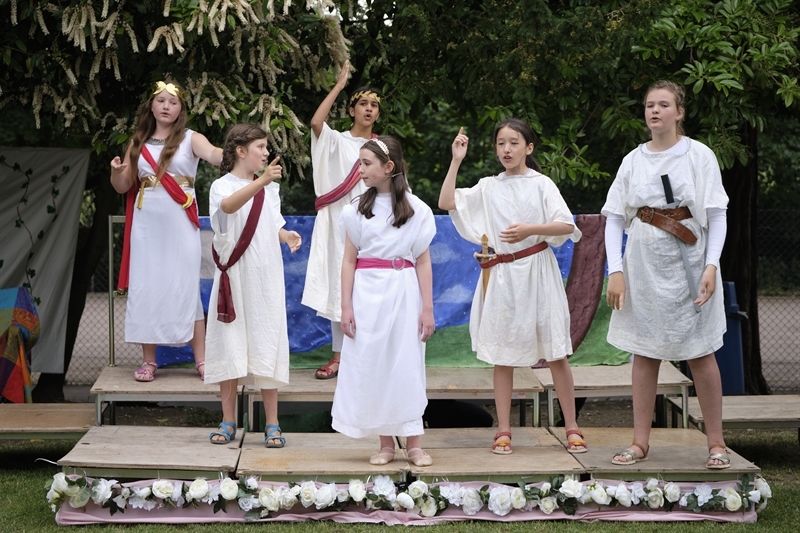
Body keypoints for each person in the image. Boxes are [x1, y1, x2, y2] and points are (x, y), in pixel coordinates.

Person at [439, 120, 588, 455]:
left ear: (528, 148)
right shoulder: (489, 186)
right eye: (501, 143)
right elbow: (447, 201)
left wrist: (529, 229)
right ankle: (504, 430)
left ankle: (572, 427)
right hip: (503, 277)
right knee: (503, 357)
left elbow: (566, 225)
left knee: (556, 352)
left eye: (514, 142)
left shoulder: (542, 184)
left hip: (537, 271)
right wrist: (456, 159)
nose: (506, 149)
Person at [602, 80, 730, 469]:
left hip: (691, 262)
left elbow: (716, 215)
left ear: (679, 112)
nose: (654, 111)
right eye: (648, 106)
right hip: (643, 262)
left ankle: (717, 443)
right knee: (644, 352)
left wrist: (711, 264)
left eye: (663, 105)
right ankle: (640, 443)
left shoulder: (699, 155)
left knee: (701, 352)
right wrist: (616, 270)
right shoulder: (633, 160)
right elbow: (612, 219)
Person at [331, 136, 436, 466]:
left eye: (366, 163)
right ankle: (386, 443)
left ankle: (414, 442)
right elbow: (349, 259)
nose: (359, 169)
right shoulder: (356, 210)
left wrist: (427, 308)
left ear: (388, 167)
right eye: (360, 162)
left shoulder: (417, 210)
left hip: (403, 291)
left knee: (405, 363)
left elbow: (422, 260)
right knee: (373, 363)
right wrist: (346, 306)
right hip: (367, 293)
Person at [110, 81, 222, 382]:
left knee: (185, 286)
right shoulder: (138, 142)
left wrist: (238, 152)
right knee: (147, 286)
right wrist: (116, 170)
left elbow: (214, 155)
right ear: (151, 105)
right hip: (147, 226)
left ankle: (201, 360)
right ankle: (149, 361)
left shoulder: (191, 138)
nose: (166, 106)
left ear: (180, 109)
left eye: (172, 102)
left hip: (180, 222)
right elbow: (123, 186)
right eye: (161, 101)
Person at [204, 124, 302, 446]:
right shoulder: (221, 186)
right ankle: (228, 419)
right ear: (240, 151)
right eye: (260, 147)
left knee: (266, 340)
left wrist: (286, 236)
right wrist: (262, 181)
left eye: (266, 147)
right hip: (233, 276)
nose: (265, 152)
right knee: (230, 343)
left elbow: (271, 225)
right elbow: (228, 208)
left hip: (265, 277)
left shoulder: (269, 189)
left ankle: (272, 423)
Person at [302, 60, 381, 380]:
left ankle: (366, 357)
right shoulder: (336, 140)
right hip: (337, 223)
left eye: (374, 105)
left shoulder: (382, 148)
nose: (369, 109)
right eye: (363, 103)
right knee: (340, 289)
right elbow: (316, 122)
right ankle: (338, 357)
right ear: (352, 109)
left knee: (369, 288)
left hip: (371, 222)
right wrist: (339, 85)